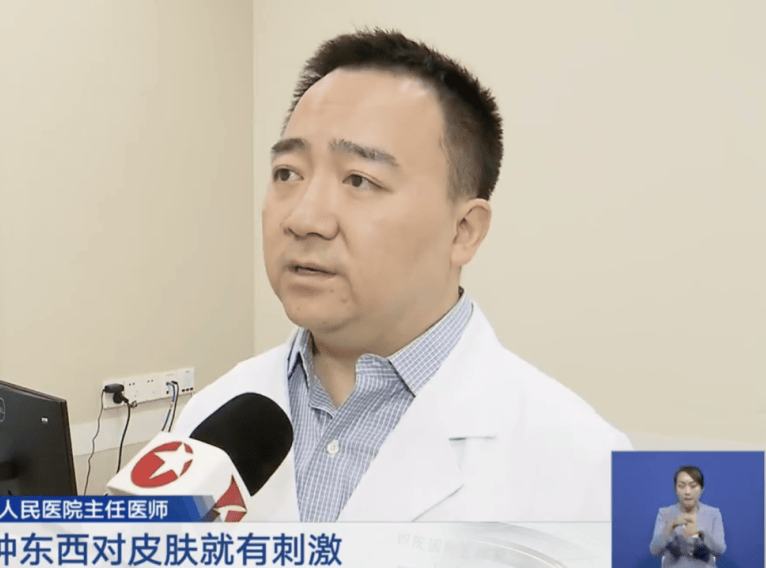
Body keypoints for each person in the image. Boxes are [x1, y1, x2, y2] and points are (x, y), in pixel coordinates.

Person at [172, 28, 631, 521]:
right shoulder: (210, 420)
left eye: (359, 180)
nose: (303, 218)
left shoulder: (587, 469)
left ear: (463, 231)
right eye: (288, 173)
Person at [649, 466, 726, 567]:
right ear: (675, 489)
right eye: (681, 486)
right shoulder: (665, 513)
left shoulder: (713, 513)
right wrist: (670, 527)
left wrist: (702, 534)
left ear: (702, 488)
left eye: (693, 486)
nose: (687, 492)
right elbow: (654, 551)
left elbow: (720, 551)